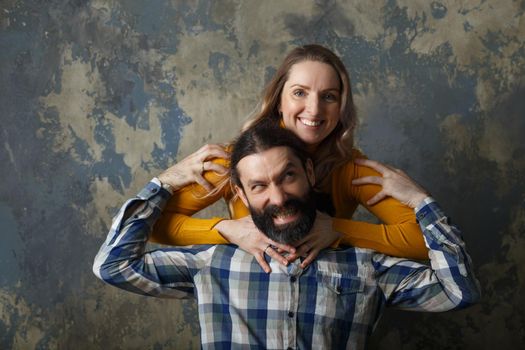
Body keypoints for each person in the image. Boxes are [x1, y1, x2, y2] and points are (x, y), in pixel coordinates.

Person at [93, 123, 481, 349]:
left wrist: (420, 201)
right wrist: (164, 183)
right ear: (241, 195)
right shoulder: (212, 264)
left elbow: (459, 291)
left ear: (310, 175)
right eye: (259, 186)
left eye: (288, 177)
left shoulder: (365, 266)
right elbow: (113, 265)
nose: (277, 197)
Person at [149, 44, 429, 273]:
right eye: (299, 93)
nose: (314, 108)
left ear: (341, 107)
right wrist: (226, 229)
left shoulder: (350, 170)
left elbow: (427, 243)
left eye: (329, 96)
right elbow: (150, 225)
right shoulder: (237, 161)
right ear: (278, 101)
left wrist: (337, 230)